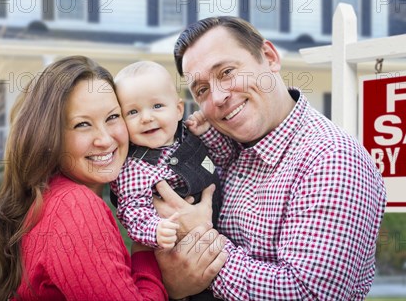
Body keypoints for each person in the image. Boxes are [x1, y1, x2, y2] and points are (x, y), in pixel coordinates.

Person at [154, 16, 388, 300]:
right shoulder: (222, 149)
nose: (217, 97)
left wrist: (200, 245)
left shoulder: (331, 158)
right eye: (201, 90)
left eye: (227, 72)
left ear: (269, 57)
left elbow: (308, 294)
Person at [0, 56, 226, 300]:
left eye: (112, 117)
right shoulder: (75, 207)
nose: (105, 139)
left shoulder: (52, 196)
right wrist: (156, 266)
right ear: (49, 136)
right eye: (82, 124)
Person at [111, 61, 220, 250]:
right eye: (133, 112)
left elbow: (219, 159)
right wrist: (156, 229)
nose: (146, 118)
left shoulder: (188, 135)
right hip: (182, 245)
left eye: (157, 105)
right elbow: (133, 212)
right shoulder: (135, 167)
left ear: (178, 110)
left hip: (223, 226)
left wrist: (205, 133)